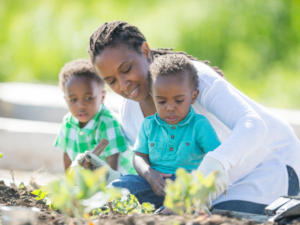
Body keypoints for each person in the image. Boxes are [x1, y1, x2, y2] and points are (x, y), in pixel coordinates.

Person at [87, 21, 300, 215]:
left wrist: (214, 163)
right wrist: (107, 177)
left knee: (210, 218)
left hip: (269, 169)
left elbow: (253, 126)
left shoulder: (191, 78)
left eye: (127, 69)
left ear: (145, 51)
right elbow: (155, 173)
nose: (123, 85)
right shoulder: (130, 112)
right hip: (206, 190)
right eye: (111, 80)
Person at [107, 54, 223, 209]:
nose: (169, 107)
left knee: (182, 203)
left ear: (193, 96)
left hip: (187, 187)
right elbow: (139, 156)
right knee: (123, 184)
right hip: (154, 184)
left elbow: (217, 157)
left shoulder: (199, 125)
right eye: (161, 101)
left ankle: (167, 212)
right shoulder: (149, 125)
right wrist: (149, 173)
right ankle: (94, 203)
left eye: (179, 100)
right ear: (153, 97)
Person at [54, 59, 136, 181]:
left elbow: (112, 162)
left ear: (102, 97)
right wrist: (69, 185)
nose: (80, 105)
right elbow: (67, 156)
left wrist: (108, 191)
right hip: (92, 180)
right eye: (73, 100)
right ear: (66, 100)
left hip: (121, 178)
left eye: (88, 98)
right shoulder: (67, 122)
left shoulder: (108, 122)